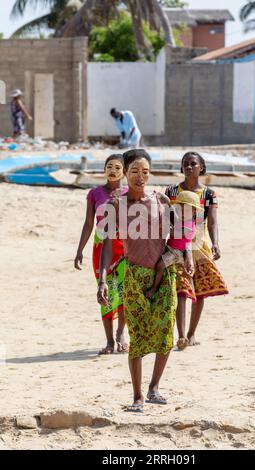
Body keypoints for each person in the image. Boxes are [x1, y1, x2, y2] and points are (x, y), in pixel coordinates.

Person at [97, 149, 177, 413]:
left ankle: (155, 388)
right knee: (138, 335)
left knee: (165, 333)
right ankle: (138, 396)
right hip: (133, 276)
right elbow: (108, 245)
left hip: (163, 275)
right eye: (134, 172)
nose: (140, 177)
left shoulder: (162, 201)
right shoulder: (115, 205)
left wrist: (171, 262)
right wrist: (103, 280)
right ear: (124, 173)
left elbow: (177, 240)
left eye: (145, 172)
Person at [165, 152, 229, 350]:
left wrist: (216, 242)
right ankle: (182, 335)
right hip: (177, 246)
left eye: (193, 163)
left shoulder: (209, 194)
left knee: (200, 292)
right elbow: (165, 219)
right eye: (185, 164)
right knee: (182, 290)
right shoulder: (172, 191)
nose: (189, 167)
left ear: (201, 167)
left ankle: (192, 334)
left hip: (200, 246)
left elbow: (213, 221)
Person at [74, 154, 129, 355]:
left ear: (124, 171)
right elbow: (89, 223)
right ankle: (108, 341)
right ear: (104, 169)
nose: (113, 170)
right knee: (104, 291)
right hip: (100, 247)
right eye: (109, 166)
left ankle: (121, 333)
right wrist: (80, 250)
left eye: (117, 167)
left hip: (124, 247)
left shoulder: (129, 193)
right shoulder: (95, 193)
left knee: (123, 292)